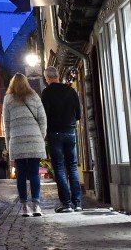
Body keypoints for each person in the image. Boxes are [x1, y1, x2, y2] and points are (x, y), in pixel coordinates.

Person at [2, 72, 48, 217]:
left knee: (21, 174)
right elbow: (43, 119)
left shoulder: (8, 99)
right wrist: (40, 136)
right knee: (34, 173)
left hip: (17, 140)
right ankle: (36, 206)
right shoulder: (34, 96)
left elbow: (6, 124)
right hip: (34, 140)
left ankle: (24, 207)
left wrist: (8, 144)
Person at [41, 65, 84, 213]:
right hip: (70, 131)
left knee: (59, 168)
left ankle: (66, 204)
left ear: (47, 78)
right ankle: (77, 203)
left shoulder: (46, 93)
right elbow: (79, 114)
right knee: (72, 166)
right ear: (58, 76)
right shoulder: (70, 91)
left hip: (55, 133)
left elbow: (44, 116)